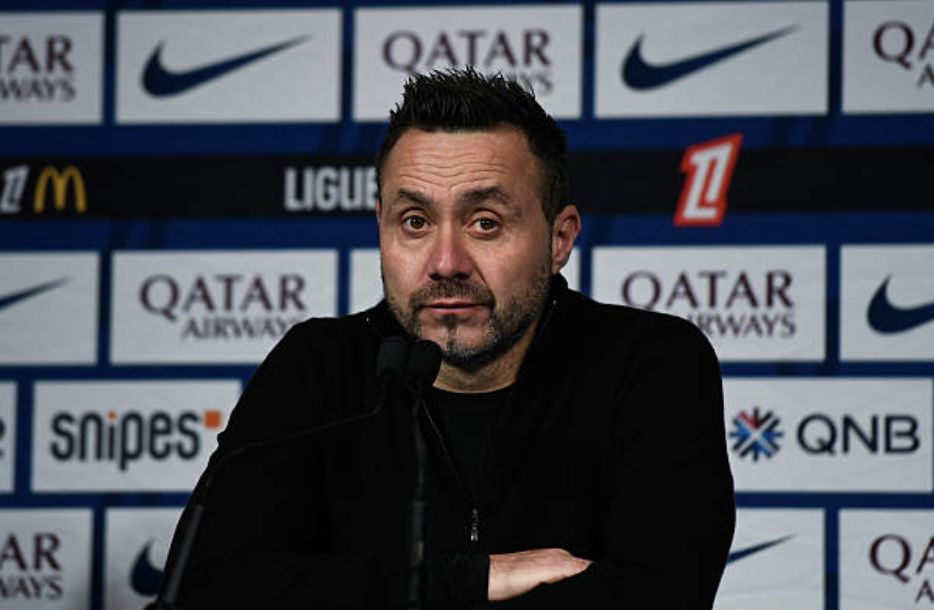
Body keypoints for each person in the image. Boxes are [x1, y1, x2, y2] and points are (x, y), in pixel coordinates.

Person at [177, 68, 735, 609]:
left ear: (559, 239)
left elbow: (661, 594)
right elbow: (207, 586)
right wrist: (472, 578)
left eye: (485, 222)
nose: (445, 263)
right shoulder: (318, 366)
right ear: (381, 227)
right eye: (415, 222)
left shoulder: (649, 362)